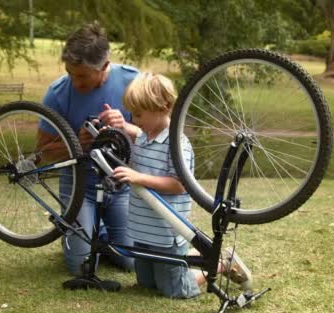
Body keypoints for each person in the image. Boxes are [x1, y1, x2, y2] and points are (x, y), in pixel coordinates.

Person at [112, 73, 252, 299]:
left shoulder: (177, 144)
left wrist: (138, 177)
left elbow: (179, 185)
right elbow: (137, 131)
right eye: (132, 114)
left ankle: (221, 264)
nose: (135, 120)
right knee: (146, 284)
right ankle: (194, 257)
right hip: (143, 229)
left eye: (138, 114)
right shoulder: (144, 135)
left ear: (164, 107)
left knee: (174, 289)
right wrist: (122, 126)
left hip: (166, 231)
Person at [36, 22, 139, 276]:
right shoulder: (58, 93)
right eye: (70, 73)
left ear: (104, 67)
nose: (75, 81)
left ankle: (96, 232)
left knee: (131, 262)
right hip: (79, 188)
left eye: (81, 76)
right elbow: (43, 153)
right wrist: (77, 143)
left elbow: (159, 138)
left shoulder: (133, 83)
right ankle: (83, 230)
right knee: (81, 268)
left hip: (121, 184)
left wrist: (126, 127)